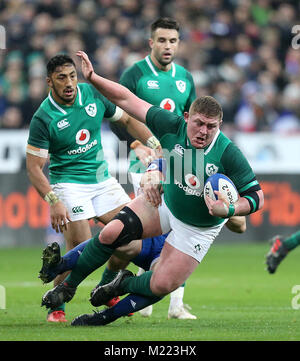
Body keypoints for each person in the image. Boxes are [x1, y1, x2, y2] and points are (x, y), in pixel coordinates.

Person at [40, 51, 264, 327]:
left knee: (162, 284)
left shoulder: (228, 152)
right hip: (167, 202)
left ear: (219, 126)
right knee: (112, 232)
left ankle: (111, 305)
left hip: (197, 228)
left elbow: (256, 196)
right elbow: (126, 99)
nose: (203, 131)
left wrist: (230, 208)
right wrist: (94, 78)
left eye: (211, 127)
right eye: (198, 123)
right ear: (185, 117)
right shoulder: (171, 124)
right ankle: (67, 283)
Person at [26, 54, 160, 322]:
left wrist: (155, 143)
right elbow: (34, 167)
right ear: (49, 81)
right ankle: (57, 306)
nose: (69, 83)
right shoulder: (44, 117)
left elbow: (128, 120)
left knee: (131, 239)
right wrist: (53, 200)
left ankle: (106, 285)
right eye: (62, 78)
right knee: (80, 244)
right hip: (68, 185)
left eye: (72, 76)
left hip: (102, 180)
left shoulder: (92, 95)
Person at [108, 17, 197, 319]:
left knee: (182, 225)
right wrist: (136, 144)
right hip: (142, 163)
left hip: (178, 161)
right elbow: (117, 116)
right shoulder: (135, 74)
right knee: (147, 230)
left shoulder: (185, 77)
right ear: (151, 42)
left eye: (172, 41)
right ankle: (139, 290)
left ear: (178, 43)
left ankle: (175, 303)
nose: (167, 46)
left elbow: (192, 122)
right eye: (162, 40)